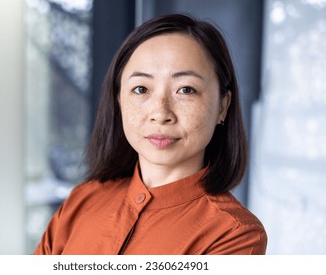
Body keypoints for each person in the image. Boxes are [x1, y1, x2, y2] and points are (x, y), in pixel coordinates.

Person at [34, 13, 267, 255]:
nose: (160, 113)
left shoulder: (235, 234)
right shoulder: (83, 200)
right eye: (141, 89)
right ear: (119, 100)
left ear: (222, 106)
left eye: (186, 89)